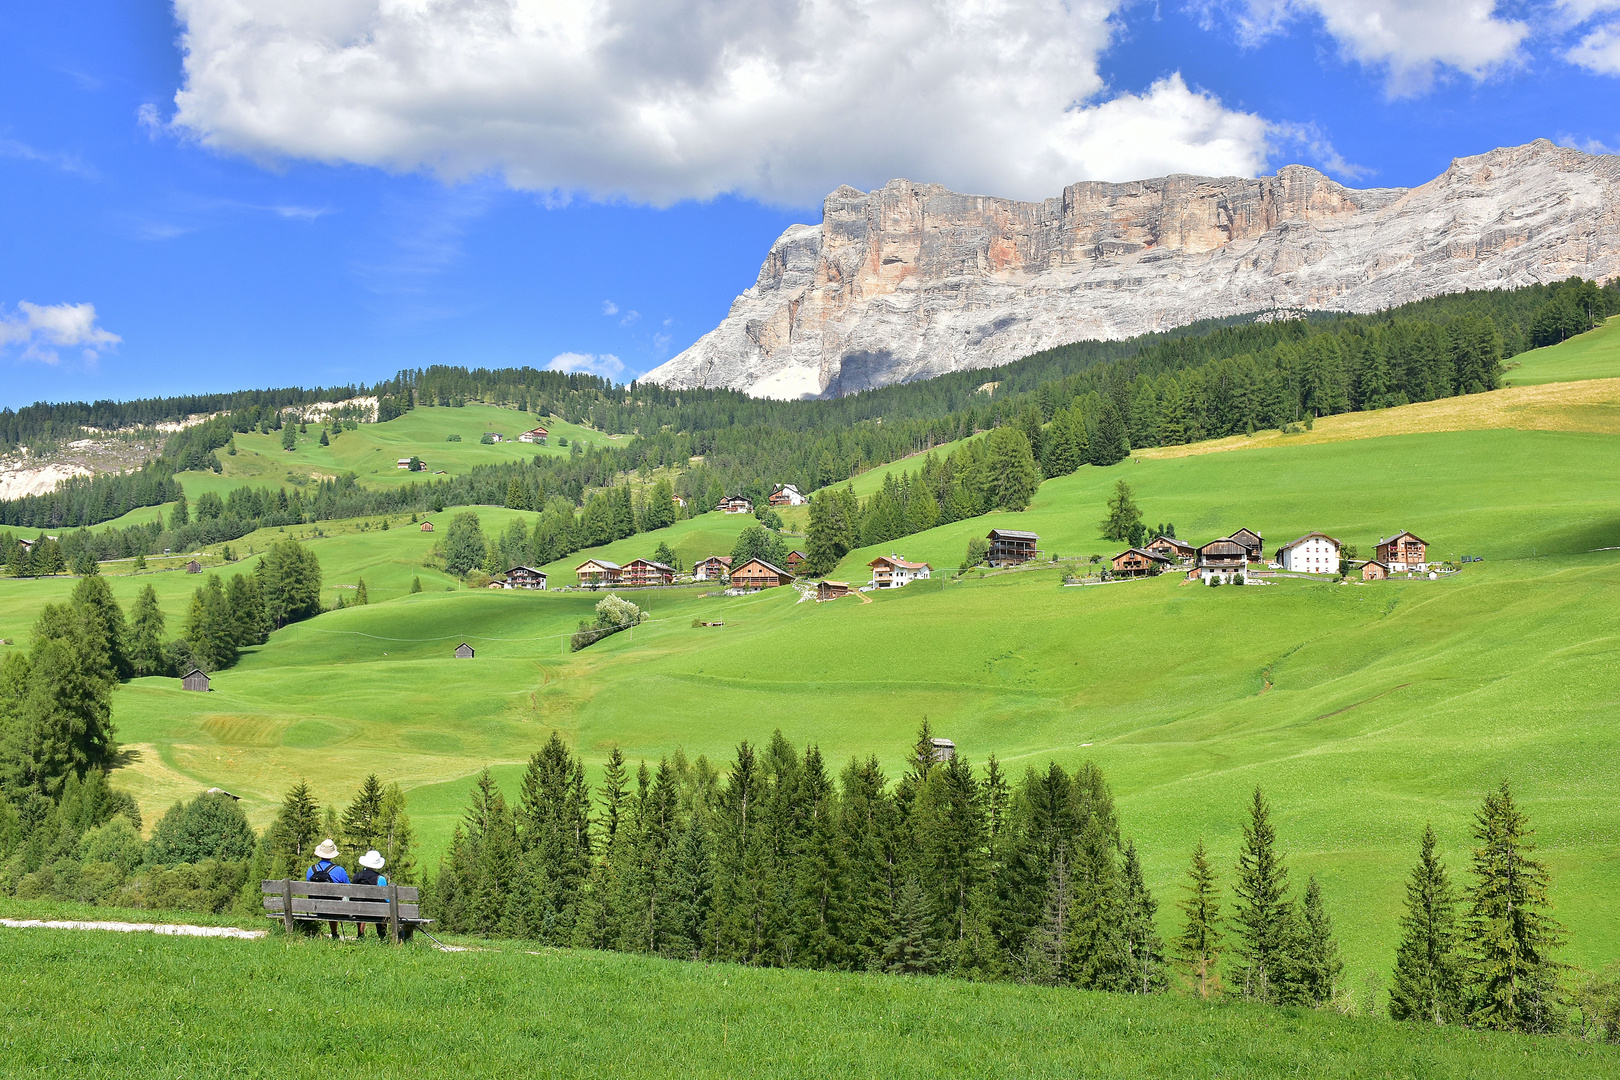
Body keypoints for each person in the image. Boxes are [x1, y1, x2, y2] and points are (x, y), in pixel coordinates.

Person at [306, 838, 350, 939]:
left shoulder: (311, 870)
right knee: (335, 902)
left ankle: (328, 933)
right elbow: (349, 890)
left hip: (315, 906)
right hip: (334, 908)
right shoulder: (339, 870)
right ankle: (334, 933)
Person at [353, 849, 389, 941]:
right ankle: (382, 935)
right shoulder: (380, 878)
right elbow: (386, 899)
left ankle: (360, 934)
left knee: (361, 904)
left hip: (358, 911)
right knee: (382, 907)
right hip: (376, 912)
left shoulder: (356, 876)